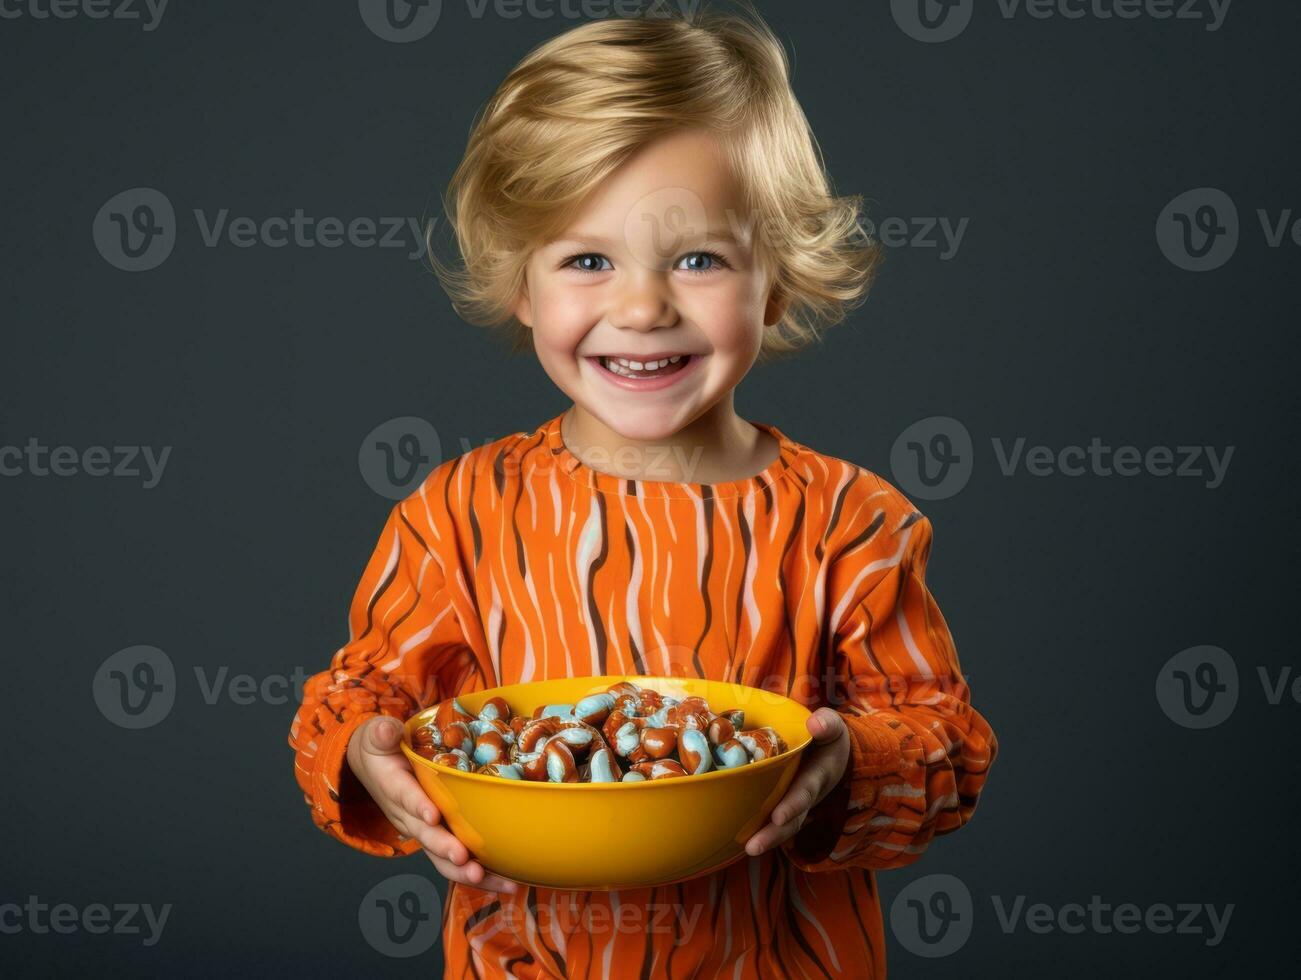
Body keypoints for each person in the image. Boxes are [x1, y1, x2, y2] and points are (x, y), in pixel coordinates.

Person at [288, 5, 998, 976]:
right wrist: (367, 752)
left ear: (777, 280)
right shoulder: (459, 511)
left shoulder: (849, 523)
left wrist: (849, 762)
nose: (641, 305)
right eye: (587, 258)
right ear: (521, 286)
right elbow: (360, 694)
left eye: (698, 258)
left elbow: (944, 740)